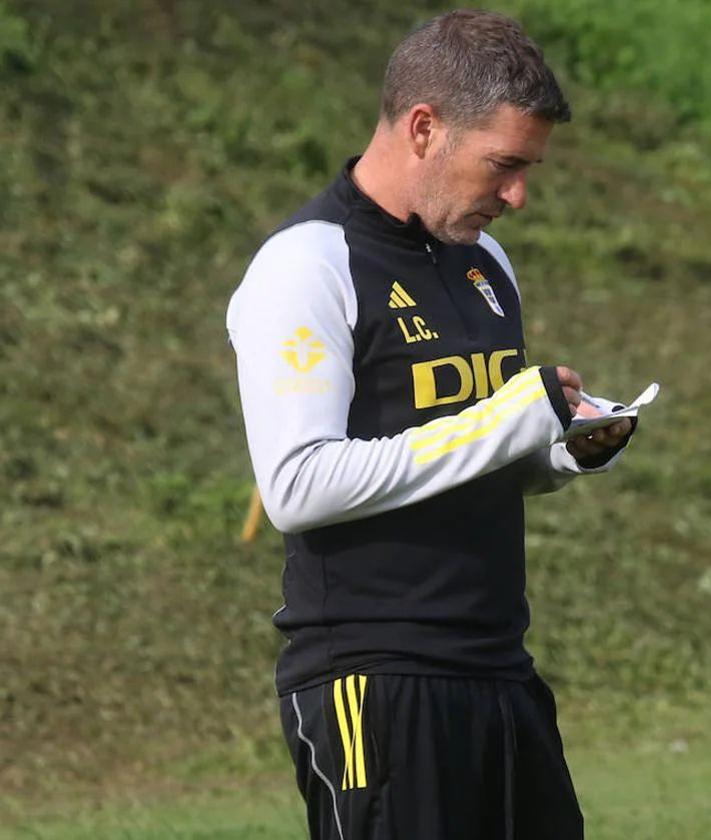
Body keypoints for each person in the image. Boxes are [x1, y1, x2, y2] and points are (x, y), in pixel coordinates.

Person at [225, 10, 635, 839]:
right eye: (504, 165)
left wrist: (559, 451)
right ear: (423, 129)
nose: (518, 195)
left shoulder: (486, 264)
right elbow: (297, 485)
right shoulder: (307, 265)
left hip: (499, 668)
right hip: (374, 681)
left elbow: (469, 453)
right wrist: (508, 417)